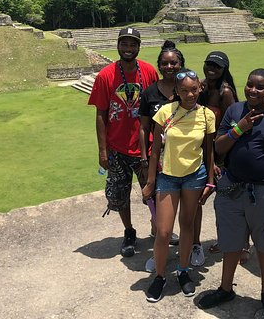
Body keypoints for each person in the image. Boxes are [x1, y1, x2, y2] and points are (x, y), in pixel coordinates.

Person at [198, 68, 264, 319]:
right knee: (231, 242)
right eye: (250, 84)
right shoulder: (234, 111)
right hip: (232, 187)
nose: (253, 90)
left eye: (260, 87)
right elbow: (219, 147)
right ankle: (226, 287)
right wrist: (238, 129)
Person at [142, 69, 216, 302]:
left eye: (194, 89)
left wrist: (210, 181)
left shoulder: (206, 115)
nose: (189, 94)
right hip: (168, 176)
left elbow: (209, 150)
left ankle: (183, 271)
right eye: (183, 90)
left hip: (194, 175)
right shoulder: (165, 112)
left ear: (200, 89)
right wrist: (150, 181)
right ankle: (161, 276)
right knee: (163, 232)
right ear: (176, 91)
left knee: (187, 226)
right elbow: (155, 151)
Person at [88, 27, 159, 258]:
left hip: (145, 146)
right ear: (118, 45)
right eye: (124, 44)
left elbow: (157, 107)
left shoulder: (148, 71)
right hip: (117, 147)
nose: (128, 49)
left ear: (139, 47)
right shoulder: (106, 75)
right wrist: (102, 151)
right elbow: (101, 115)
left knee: (153, 191)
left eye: (133, 44)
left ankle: (158, 226)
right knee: (120, 194)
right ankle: (129, 231)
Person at [138, 40, 185, 272]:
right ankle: (159, 250)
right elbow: (143, 127)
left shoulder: (188, 89)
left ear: (181, 65)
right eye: (165, 63)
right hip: (158, 158)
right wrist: (145, 159)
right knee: (158, 207)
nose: (169, 67)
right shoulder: (150, 93)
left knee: (187, 207)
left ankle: (190, 247)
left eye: (173, 63)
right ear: (159, 65)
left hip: (184, 158)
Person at [196, 51, 239, 264]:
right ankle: (225, 240)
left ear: (224, 70)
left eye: (217, 66)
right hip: (204, 149)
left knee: (227, 201)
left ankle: (240, 244)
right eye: (209, 64)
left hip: (223, 153)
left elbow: (232, 127)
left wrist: (218, 160)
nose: (212, 69)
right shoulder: (202, 87)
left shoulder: (225, 92)